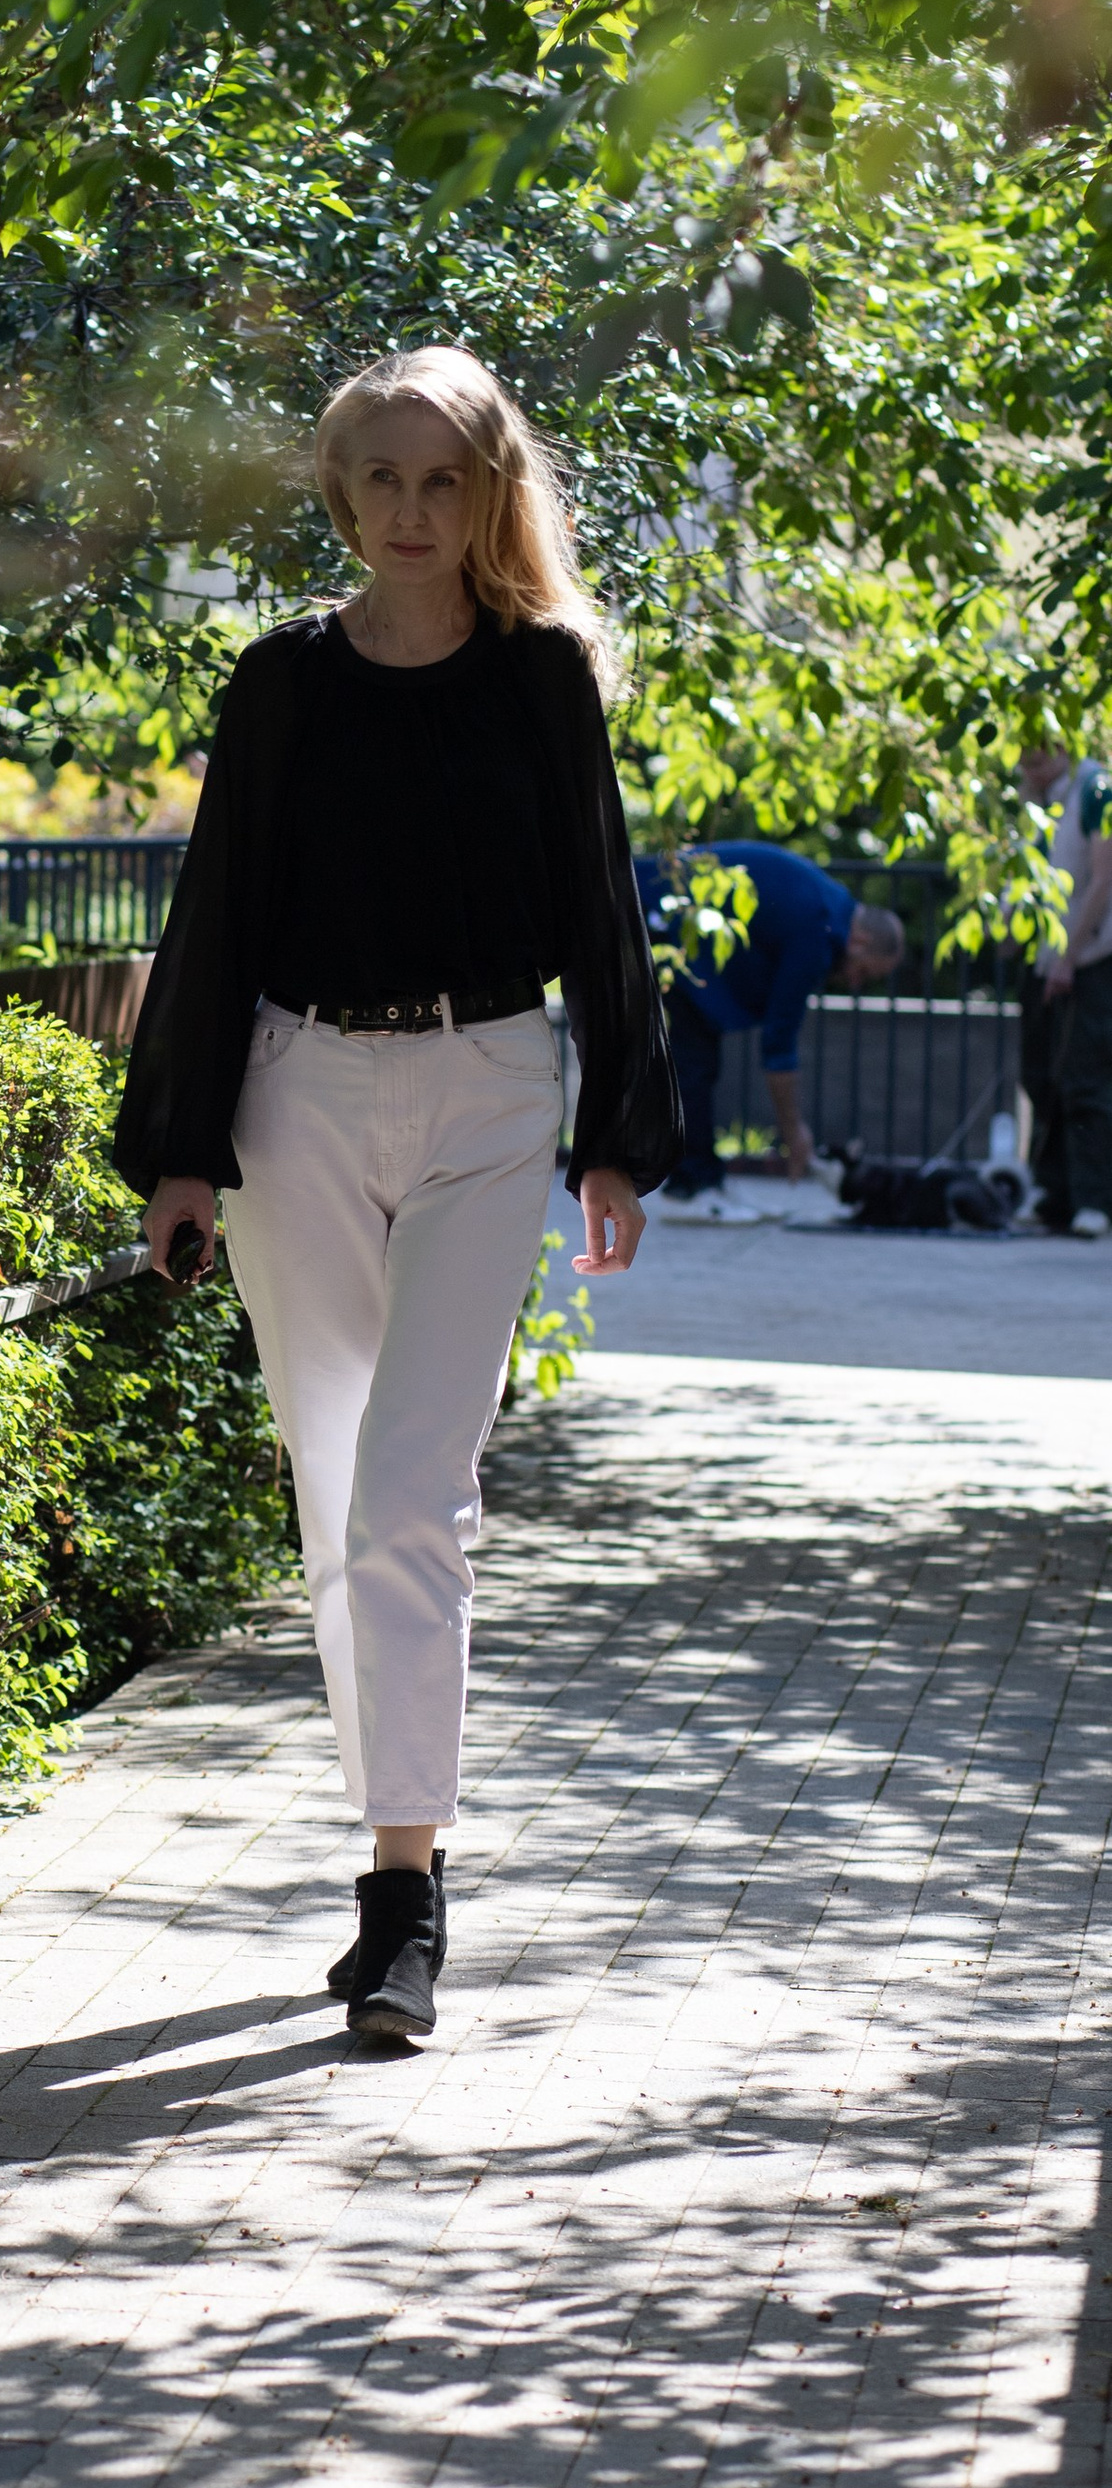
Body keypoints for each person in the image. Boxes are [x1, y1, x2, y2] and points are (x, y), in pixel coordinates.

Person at [116, 345, 679, 2047]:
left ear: (488, 493)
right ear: (342, 497)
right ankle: (393, 1863)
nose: (413, 513)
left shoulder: (542, 683)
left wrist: (617, 1134)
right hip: (297, 1094)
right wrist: (183, 1151)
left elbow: (600, 908)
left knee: (414, 1496)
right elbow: (215, 911)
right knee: (340, 1495)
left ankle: (404, 1888)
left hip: (489, 1095)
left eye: (445, 481)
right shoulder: (280, 685)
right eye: (383, 482)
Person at [631, 845, 905, 1222]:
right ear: (859, 942)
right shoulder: (819, 930)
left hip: (672, 920)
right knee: (693, 1066)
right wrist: (795, 1132)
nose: (855, 983)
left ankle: (707, 1178)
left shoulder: (829, 903)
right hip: (664, 922)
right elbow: (778, 1044)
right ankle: (690, 1187)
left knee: (697, 1061)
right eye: (864, 972)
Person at [1018, 737, 1112, 1239]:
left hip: (1089, 959)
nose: (1028, 768)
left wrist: (1070, 957)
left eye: (1038, 757)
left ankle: (1094, 1199)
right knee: (1039, 1075)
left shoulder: (1097, 789)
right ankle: (1054, 1194)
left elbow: (1104, 879)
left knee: (1085, 1079)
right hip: (1044, 958)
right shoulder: (1033, 802)